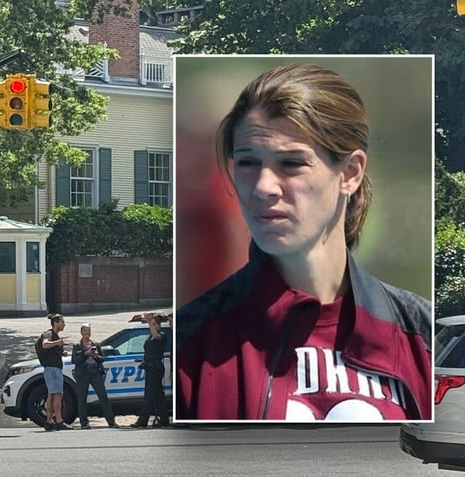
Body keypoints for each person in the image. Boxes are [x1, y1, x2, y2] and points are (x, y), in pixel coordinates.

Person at [176, 62, 432, 421]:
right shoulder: (191, 341)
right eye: (248, 163)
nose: (263, 187)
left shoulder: (424, 334)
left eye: (291, 163)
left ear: (350, 173)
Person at [71, 322, 118, 429]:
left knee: (103, 397)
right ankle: (84, 423)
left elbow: (102, 358)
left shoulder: (96, 344)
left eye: (88, 331)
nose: (87, 333)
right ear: (81, 332)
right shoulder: (77, 346)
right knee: (82, 398)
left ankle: (111, 422)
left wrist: (95, 355)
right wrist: (85, 354)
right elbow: (74, 360)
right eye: (85, 331)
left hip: (95, 373)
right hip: (83, 374)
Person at [132, 313, 169, 428]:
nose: (151, 326)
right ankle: (164, 420)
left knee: (149, 395)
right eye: (151, 324)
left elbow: (156, 335)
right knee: (158, 395)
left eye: (154, 324)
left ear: (158, 326)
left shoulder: (161, 335)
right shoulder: (150, 337)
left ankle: (142, 421)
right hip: (149, 367)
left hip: (156, 368)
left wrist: (149, 322)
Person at [35, 313, 71, 430]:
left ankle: (49, 421)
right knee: (58, 394)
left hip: (52, 368)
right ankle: (59, 420)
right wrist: (57, 343)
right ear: (56, 323)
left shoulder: (54, 335)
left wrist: (62, 352)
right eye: (62, 322)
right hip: (53, 369)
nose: (64, 324)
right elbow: (45, 344)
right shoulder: (49, 334)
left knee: (52, 394)